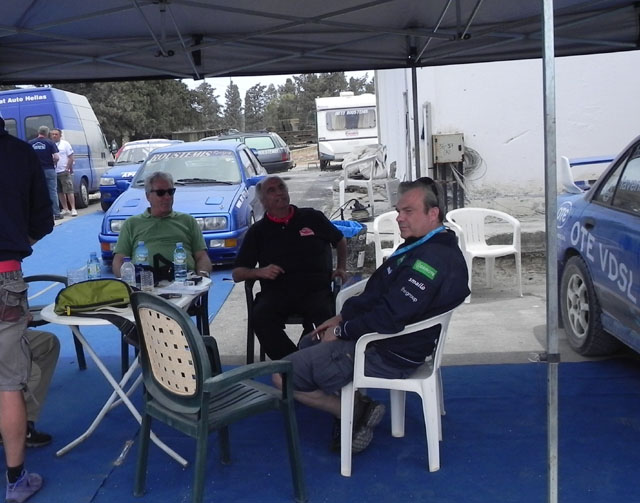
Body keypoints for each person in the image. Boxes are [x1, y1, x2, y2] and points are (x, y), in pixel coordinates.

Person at [273, 178, 470, 454]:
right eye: (398, 211)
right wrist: (341, 318)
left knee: (282, 375)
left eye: (408, 211)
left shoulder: (431, 259)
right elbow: (377, 294)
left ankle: (351, 411)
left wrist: (342, 331)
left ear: (433, 213)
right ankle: (351, 404)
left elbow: (389, 317)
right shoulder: (421, 243)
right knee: (309, 341)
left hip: (386, 350)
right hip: (385, 339)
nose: (399, 218)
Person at [232, 176, 348, 360]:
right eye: (272, 190)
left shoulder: (312, 217)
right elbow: (237, 273)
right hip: (277, 292)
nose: (279, 193)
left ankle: (309, 361)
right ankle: (292, 363)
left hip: (315, 290)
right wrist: (260, 272)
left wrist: (341, 267)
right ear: (263, 201)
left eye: (281, 187)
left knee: (324, 318)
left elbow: (340, 240)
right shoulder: (258, 231)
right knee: (261, 317)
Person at [0, 114, 54, 502]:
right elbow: (42, 221)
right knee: (8, 382)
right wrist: (17, 242)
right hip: (4, 275)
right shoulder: (19, 154)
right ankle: (16, 479)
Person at [111, 171, 212, 278]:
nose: (167, 197)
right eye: (161, 193)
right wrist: (128, 282)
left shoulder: (188, 221)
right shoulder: (132, 224)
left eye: (170, 192)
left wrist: (202, 277)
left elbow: (201, 256)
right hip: (145, 282)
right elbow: (119, 260)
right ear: (148, 196)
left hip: (183, 280)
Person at [28, 125, 61, 221]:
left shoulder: (31, 143)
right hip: (49, 169)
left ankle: (40, 214)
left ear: (38, 132)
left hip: (36, 172)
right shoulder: (50, 143)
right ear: (47, 133)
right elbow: (57, 157)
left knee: (37, 192)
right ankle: (56, 213)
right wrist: (53, 162)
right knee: (52, 192)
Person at [50, 128, 77, 217]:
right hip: (54, 171)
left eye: (56, 134)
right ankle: (65, 208)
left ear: (60, 135)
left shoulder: (65, 144)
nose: (54, 136)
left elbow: (71, 157)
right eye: (53, 134)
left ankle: (73, 208)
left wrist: (67, 168)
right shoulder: (50, 144)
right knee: (60, 191)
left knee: (69, 190)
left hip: (64, 171)